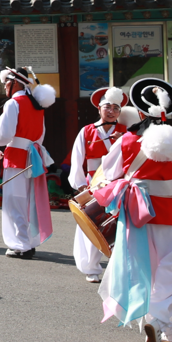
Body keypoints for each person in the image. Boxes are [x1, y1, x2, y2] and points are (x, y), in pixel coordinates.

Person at [94, 78, 172, 342]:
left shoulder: (127, 140)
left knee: (141, 269)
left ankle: (164, 325)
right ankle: (161, 318)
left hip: (135, 214)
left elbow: (108, 173)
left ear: (140, 112)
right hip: (170, 212)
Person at [0, 66, 56, 259]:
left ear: (14, 83)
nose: (4, 86)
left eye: (6, 82)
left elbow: (4, 135)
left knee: (15, 202)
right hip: (34, 157)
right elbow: (41, 136)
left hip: (16, 157)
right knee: (29, 201)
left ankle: (21, 244)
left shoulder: (14, 103)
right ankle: (28, 241)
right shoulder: (37, 105)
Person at [65, 87, 129, 283]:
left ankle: (119, 269)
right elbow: (77, 159)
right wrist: (79, 185)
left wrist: (123, 142)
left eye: (116, 108)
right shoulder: (87, 131)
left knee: (121, 226)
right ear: (99, 108)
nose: (111, 111)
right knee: (91, 223)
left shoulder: (126, 132)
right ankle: (91, 267)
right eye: (107, 107)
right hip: (93, 184)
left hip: (118, 185)